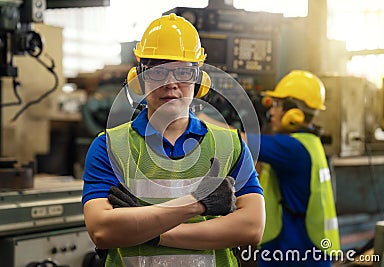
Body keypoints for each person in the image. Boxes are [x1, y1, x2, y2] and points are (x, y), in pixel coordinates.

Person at [82, 13, 265, 267]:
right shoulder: (110, 147)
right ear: (141, 78)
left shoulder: (230, 145)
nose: (170, 84)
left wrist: (145, 230)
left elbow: (251, 228)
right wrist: (196, 203)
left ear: (198, 78)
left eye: (182, 72)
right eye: (157, 72)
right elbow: (101, 232)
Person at [246, 70, 340, 267]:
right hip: (298, 249)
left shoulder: (293, 148)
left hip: (295, 254)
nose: (271, 112)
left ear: (294, 112)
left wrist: (196, 121)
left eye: (277, 105)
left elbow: (238, 140)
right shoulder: (309, 143)